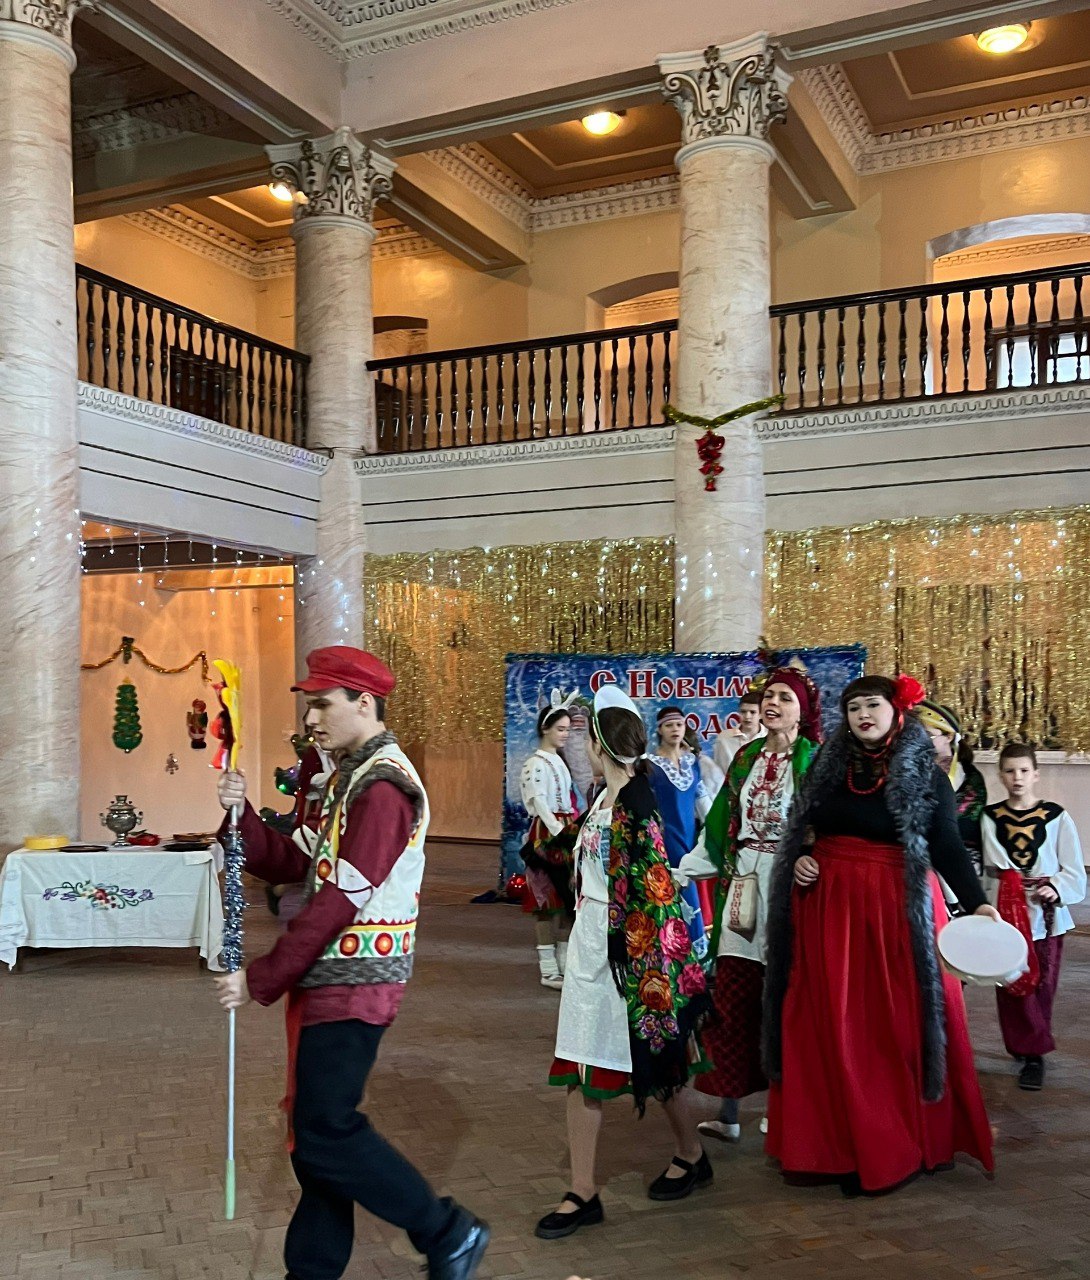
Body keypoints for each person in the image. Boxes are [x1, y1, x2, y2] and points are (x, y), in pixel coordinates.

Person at [212, 646, 488, 1280]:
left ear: (364, 703)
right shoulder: (350, 778)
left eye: (321, 704)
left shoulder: (384, 787)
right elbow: (296, 862)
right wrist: (241, 815)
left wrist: (261, 975)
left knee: (326, 1131)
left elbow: (339, 899)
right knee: (317, 1139)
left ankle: (447, 1231)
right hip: (334, 976)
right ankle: (313, 1270)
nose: (310, 719)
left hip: (358, 979)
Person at [763, 674, 999, 1195]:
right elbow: (805, 827)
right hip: (827, 910)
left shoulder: (925, 772)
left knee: (887, 1031)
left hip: (895, 911)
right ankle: (833, 1149)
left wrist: (979, 902)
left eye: (872, 705)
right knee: (827, 1025)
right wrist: (803, 856)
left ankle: (891, 1148)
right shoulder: (827, 765)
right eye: (853, 708)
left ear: (896, 710)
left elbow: (946, 844)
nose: (863, 715)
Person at [534, 685, 712, 1240]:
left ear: (597, 744)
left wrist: (641, 966)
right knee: (581, 1067)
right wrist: (545, 847)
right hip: (594, 947)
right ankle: (582, 1191)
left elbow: (652, 891)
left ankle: (691, 1153)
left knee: (659, 1067)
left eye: (585, 737)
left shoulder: (636, 804)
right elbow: (579, 857)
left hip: (628, 955)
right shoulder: (603, 800)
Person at [677, 668, 821, 1145]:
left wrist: (812, 859)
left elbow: (827, 828)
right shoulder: (746, 757)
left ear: (803, 711)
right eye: (769, 696)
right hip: (742, 882)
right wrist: (686, 868)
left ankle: (783, 1109)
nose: (773, 703)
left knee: (783, 1000)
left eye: (785, 697)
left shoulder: (815, 760)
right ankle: (729, 1111)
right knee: (733, 997)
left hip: (790, 888)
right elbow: (722, 819)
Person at [982, 743, 1086, 1091]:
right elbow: (987, 870)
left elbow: (1073, 869)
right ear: (1001, 776)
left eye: (1024, 770)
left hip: (1045, 917)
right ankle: (1023, 1045)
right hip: (1005, 911)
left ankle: (1034, 1053)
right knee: (1010, 981)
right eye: (1010, 771)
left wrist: (1056, 887)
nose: (1017, 777)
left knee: (1041, 983)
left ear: (1036, 774)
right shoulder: (990, 817)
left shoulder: (1055, 816)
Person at [520, 694, 579, 989]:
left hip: (564, 829)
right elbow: (539, 801)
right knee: (545, 901)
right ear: (545, 728)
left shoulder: (559, 761)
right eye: (560, 729)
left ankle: (565, 964)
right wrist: (558, 831)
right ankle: (548, 968)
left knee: (568, 899)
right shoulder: (535, 763)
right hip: (547, 833)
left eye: (568, 729)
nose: (565, 734)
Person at [649, 707, 712, 957]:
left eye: (679, 724)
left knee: (689, 892)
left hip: (689, 840)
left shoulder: (691, 762)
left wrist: (717, 828)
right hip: (664, 842)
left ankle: (694, 958)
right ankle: (672, 955)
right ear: (659, 730)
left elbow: (702, 799)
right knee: (671, 894)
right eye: (669, 725)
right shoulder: (650, 765)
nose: (675, 729)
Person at [917, 700, 987, 878]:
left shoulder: (970, 778)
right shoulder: (913, 770)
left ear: (948, 736)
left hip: (959, 853)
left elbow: (967, 823)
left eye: (928, 735)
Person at [713, 687, 763, 776]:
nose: (747, 716)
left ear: (761, 714)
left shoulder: (770, 737)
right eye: (743, 712)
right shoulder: (724, 738)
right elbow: (718, 773)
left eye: (752, 712)